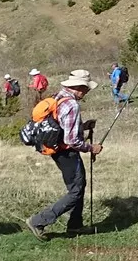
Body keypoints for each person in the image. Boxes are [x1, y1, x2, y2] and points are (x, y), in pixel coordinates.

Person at [25, 71, 103, 240]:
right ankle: (39, 221)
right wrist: (91, 148)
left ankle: (75, 226)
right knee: (75, 190)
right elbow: (72, 140)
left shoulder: (58, 96)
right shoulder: (72, 105)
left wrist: (82, 126)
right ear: (80, 88)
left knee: (78, 186)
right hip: (67, 152)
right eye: (86, 89)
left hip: (57, 150)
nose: (86, 92)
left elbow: (61, 125)